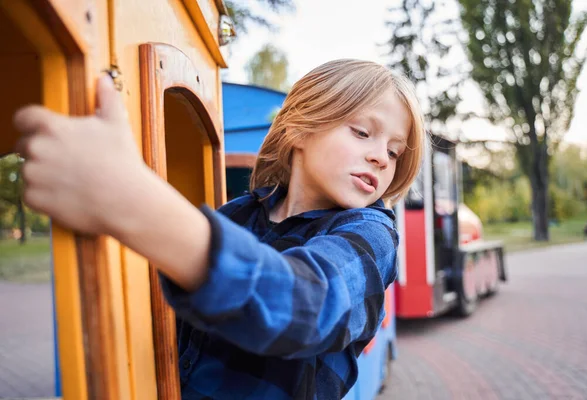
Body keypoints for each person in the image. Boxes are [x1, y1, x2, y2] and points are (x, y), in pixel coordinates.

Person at [13, 59, 425, 399]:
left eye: (393, 151)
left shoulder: (371, 233)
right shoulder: (236, 215)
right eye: (361, 133)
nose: (380, 158)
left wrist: (131, 200)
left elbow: (308, 304)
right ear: (299, 127)